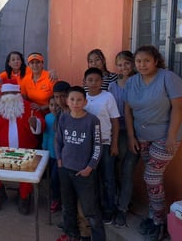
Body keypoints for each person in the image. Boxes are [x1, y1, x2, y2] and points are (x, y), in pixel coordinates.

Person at [124, 45, 182, 241]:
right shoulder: (132, 81)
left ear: (156, 61)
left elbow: (178, 109)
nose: (142, 65)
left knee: (151, 177)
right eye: (138, 61)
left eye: (146, 61)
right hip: (142, 137)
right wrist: (132, 136)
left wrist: (171, 136)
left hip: (165, 137)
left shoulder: (168, 78)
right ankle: (153, 217)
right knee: (154, 179)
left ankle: (159, 221)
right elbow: (127, 111)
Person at [0, 83, 44, 215]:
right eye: (6, 94)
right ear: (2, 96)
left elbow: (41, 123)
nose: (9, 97)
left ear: (18, 95)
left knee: (30, 171)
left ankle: (24, 197)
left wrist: (36, 123)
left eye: (12, 94)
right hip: (0, 151)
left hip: (26, 150)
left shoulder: (30, 107)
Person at [55, 86, 106, 241]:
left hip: (84, 173)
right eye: (72, 99)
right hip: (65, 169)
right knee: (68, 206)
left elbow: (98, 146)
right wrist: (59, 160)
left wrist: (90, 167)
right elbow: (58, 140)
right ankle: (72, 234)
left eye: (79, 100)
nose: (75, 103)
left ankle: (96, 237)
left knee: (89, 209)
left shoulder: (92, 120)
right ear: (67, 101)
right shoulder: (63, 117)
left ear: (85, 102)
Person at [84, 67, 120, 224]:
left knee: (107, 178)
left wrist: (114, 144)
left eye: (97, 80)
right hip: (87, 145)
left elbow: (115, 121)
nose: (93, 83)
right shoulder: (82, 97)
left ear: (102, 82)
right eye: (90, 80)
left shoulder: (108, 97)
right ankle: (95, 208)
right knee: (92, 178)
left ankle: (108, 210)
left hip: (104, 143)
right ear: (85, 81)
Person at [108, 51, 139, 228]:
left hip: (134, 132)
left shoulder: (138, 83)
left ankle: (123, 209)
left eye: (127, 64)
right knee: (115, 170)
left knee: (128, 170)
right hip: (116, 131)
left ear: (133, 64)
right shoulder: (112, 86)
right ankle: (121, 200)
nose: (123, 68)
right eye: (120, 65)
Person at [42, 96, 61, 213]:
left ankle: (56, 199)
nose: (54, 108)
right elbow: (46, 133)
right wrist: (43, 146)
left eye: (57, 105)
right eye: (51, 105)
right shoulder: (47, 117)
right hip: (49, 151)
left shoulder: (64, 117)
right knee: (51, 177)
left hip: (59, 153)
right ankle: (55, 197)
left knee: (55, 177)